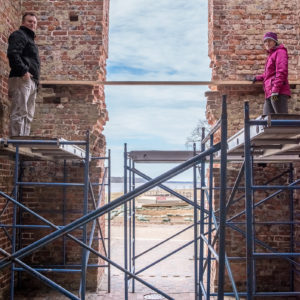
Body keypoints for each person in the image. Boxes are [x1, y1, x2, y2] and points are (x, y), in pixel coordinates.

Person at [7, 12, 40, 136]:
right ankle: (16, 141)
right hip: (22, 78)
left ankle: (23, 141)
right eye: (29, 21)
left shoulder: (30, 40)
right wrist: (23, 71)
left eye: (34, 22)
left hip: (32, 81)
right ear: (23, 22)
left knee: (28, 115)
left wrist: (36, 83)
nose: (32, 24)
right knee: (20, 111)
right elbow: (13, 53)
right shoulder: (19, 34)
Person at [253, 32, 291, 115]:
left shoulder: (280, 52)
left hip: (278, 92)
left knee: (281, 120)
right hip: (269, 92)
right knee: (266, 121)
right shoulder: (271, 54)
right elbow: (269, 74)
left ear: (275, 42)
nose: (267, 43)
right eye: (265, 41)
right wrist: (257, 78)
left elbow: (281, 72)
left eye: (269, 41)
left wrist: (275, 90)